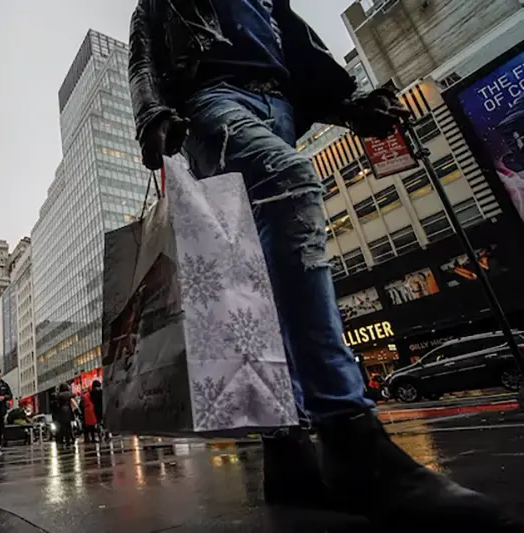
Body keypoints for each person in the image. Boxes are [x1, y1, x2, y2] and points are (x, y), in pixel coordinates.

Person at [127, 0, 517, 527]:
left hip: (279, 107)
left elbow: (295, 45)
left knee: (254, 277)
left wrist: (352, 106)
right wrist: (150, 112)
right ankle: (349, 434)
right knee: (287, 181)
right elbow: (144, 56)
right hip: (210, 102)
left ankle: (288, 457)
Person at [54, 383, 75, 449]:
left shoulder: (59, 395)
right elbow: (72, 397)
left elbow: (57, 404)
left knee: (63, 427)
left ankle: (64, 440)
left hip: (62, 411)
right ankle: (69, 440)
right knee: (68, 427)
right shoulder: (69, 394)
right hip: (68, 411)